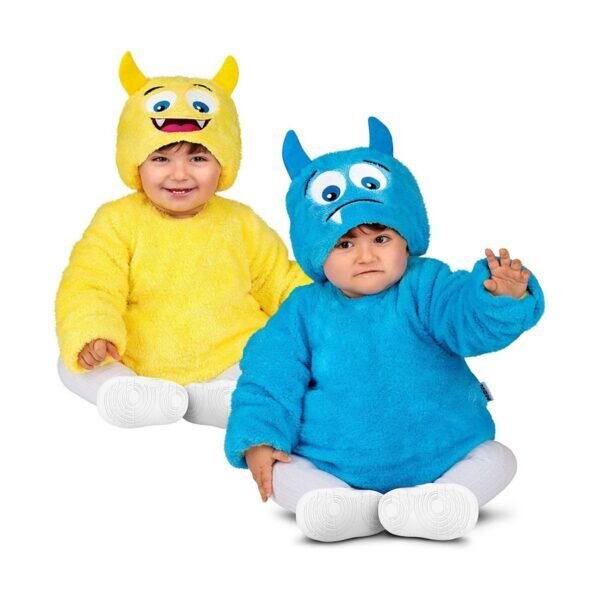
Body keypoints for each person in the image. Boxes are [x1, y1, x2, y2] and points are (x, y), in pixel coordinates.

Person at [224, 117, 544, 542]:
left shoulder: (428, 285)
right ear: (316, 252)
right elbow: (269, 378)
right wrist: (260, 439)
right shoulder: (302, 310)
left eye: (380, 239)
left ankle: (442, 501)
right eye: (344, 244)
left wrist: (497, 298)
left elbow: (465, 320)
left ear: (406, 239)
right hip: (334, 461)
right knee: (281, 470)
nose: (365, 256)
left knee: (498, 457)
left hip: (443, 449)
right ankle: (337, 506)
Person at [56, 52, 309, 429]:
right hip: (134, 358)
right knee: (71, 362)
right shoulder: (117, 220)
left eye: (198, 158)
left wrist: (332, 313)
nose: (180, 175)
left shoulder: (241, 221)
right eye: (161, 159)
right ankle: (128, 394)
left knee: (277, 359)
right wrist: (94, 333)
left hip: (231, 355)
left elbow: (281, 281)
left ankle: (223, 399)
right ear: (135, 162)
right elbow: (91, 283)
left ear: (224, 163)